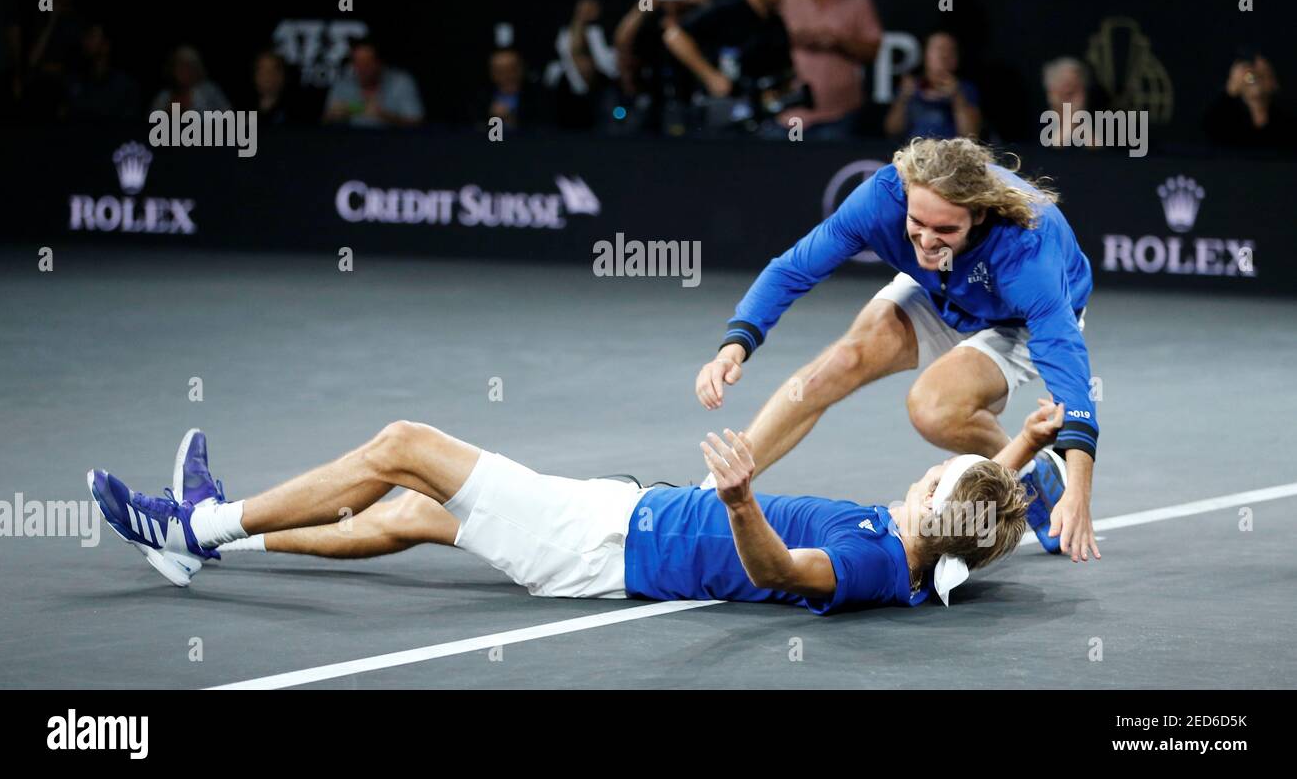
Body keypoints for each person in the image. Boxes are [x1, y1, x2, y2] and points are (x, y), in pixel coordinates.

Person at [89, 398, 1063, 608]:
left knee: (402, 447)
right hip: (611, 522)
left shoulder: (866, 558)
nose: (929, 465)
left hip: (598, 539)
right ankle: (211, 548)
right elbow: (982, 517)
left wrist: (736, 500)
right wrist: (1025, 449)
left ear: (935, 502)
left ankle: (196, 521)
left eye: (940, 472)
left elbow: (777, 569)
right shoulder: (924, 543)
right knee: (412, 512)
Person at [694, 137, 1101, 562]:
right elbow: (795, 267)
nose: (926, 241)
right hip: (935, 288)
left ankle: (1033, 473)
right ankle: (708, 496)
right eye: (917, 224)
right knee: (838, 364)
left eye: (945, 229)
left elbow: (1068, 371)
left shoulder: (1026, 250)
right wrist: (734, 347)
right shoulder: (882, 198)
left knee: (934, 410)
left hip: (1013, 320)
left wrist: (1079, 491)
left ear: (978, 214)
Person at [777, 0, 883, 140]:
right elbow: (759, 39)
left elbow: (872, 50)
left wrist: (840, 42)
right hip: (788, 113)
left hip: (839, 115)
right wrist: (796, 38)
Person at [662, 0, 794, 101]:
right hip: (716, 104)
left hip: (754, 107)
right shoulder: (728, 10)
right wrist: (710, 75)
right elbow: (675, 36)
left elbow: (783, 68)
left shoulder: (775, 22)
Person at [884, 31, 981, 141]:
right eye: (939, 49)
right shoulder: (910, 87)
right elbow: (892, 130)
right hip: (914, 152)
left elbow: (971, 136)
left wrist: (957, 98)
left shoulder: (966, 89)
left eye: (951, 50)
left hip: (951, 154)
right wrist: (902, 99)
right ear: (924, 55)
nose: (945, 55)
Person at [323, 38, 425, 128]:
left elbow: (416, 122)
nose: (362, 69)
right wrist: (335, 116)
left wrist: (383, 115)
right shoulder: (343, 83)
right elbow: (325, 121)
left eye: (367, 63)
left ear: (379, 63)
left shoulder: (401, 82)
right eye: (357, 63)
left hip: (395, 144)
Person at [1203, 53, 1296, 148]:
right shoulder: (1224, 122)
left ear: (1274, 82)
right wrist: (1230, 90)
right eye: (1251, 74)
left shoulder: (1288, 122)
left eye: (1264, 74)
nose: (1256, 79)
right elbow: (1209, 130)